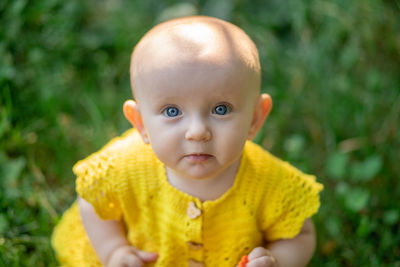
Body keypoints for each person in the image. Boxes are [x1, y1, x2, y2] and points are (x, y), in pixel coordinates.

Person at [52, 15, 323, 267]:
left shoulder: (269, 181)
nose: (197, 132)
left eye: (221, 109)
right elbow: (90, 201)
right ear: (141, 124)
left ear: (255, 118)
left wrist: (277, 260)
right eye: (172, 111)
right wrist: (114, 250)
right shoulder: (125, 166)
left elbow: (300, 234)